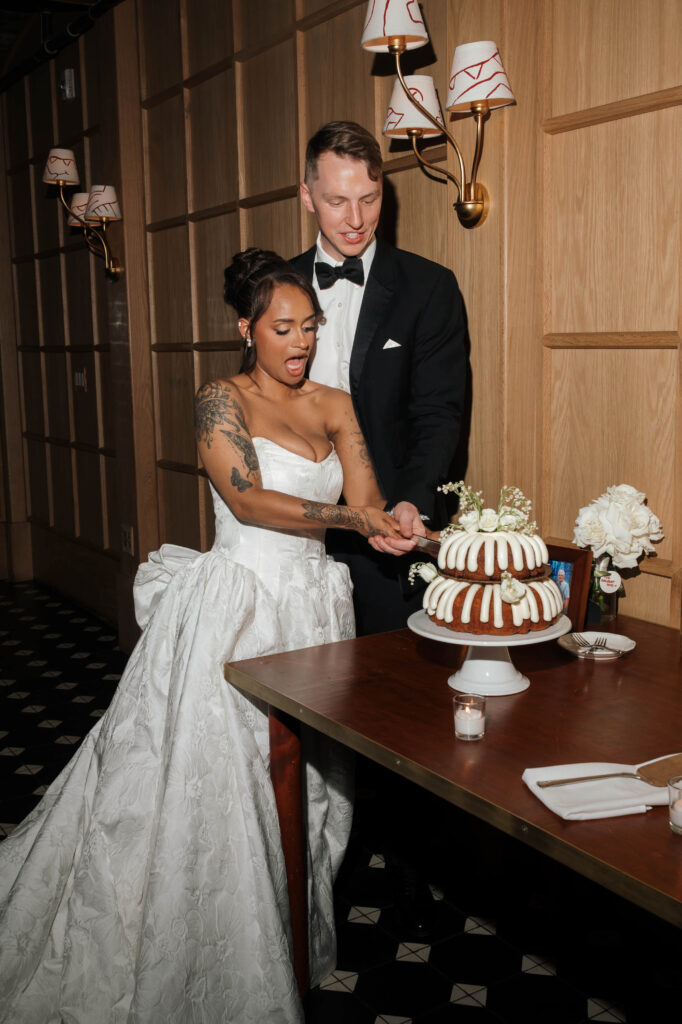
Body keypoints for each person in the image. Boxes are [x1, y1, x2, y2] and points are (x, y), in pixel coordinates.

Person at [0, 249, 415, 1024]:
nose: (300, 342)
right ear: (246, 329)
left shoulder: (335, 404)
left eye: (309, 326)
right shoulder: (219, 399)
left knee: (310, 783)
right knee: (231, 782)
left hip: (318, 610)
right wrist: (354, 518)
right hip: (240, 609)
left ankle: (288, 938)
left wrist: (394, 525)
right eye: (282, 328)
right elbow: (248, 499)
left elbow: (368, 499)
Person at [292, 120, 468, 635]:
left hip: (388, 530)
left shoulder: (429, 287)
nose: (355, 220)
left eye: (369, 200)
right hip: (292, 531)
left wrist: (412, 500)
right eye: (337, 201)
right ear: (307, 196)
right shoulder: (273, 285)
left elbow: (439, 412)